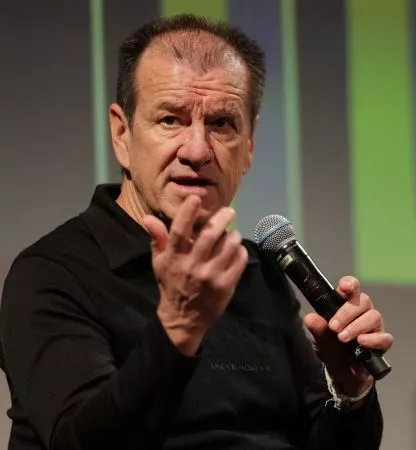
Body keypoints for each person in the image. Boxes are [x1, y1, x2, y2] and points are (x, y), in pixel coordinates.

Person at [0, 14, 394, 450]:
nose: (197, 150)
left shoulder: (258, 272)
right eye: (171, 119)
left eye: (222, 124)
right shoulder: (52, 274)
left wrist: (349, 392)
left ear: (249, 147)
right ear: (121, 134)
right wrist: (177, 330)